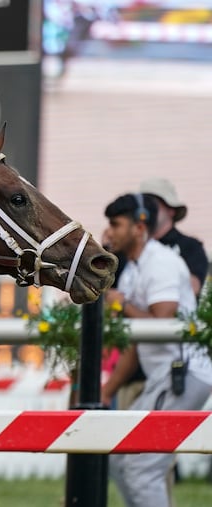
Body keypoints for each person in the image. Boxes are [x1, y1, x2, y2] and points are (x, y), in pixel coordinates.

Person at [100, 193, 212, 507]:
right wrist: (108, 390)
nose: (110, 231)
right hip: (167, 376)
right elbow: (140, 340)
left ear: (139, 227)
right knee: (119, 457)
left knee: (140, 466)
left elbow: (161, 322)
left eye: (116, 224)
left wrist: (120, 303)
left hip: (182, 374)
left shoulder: (160, 262)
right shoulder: (136, 267)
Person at [139, 177, 208, 298]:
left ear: (171, 210)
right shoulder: (133, 246)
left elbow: (193, 288)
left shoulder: (190, 246)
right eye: (142, 204)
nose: (146, 210)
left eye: (152, 203)